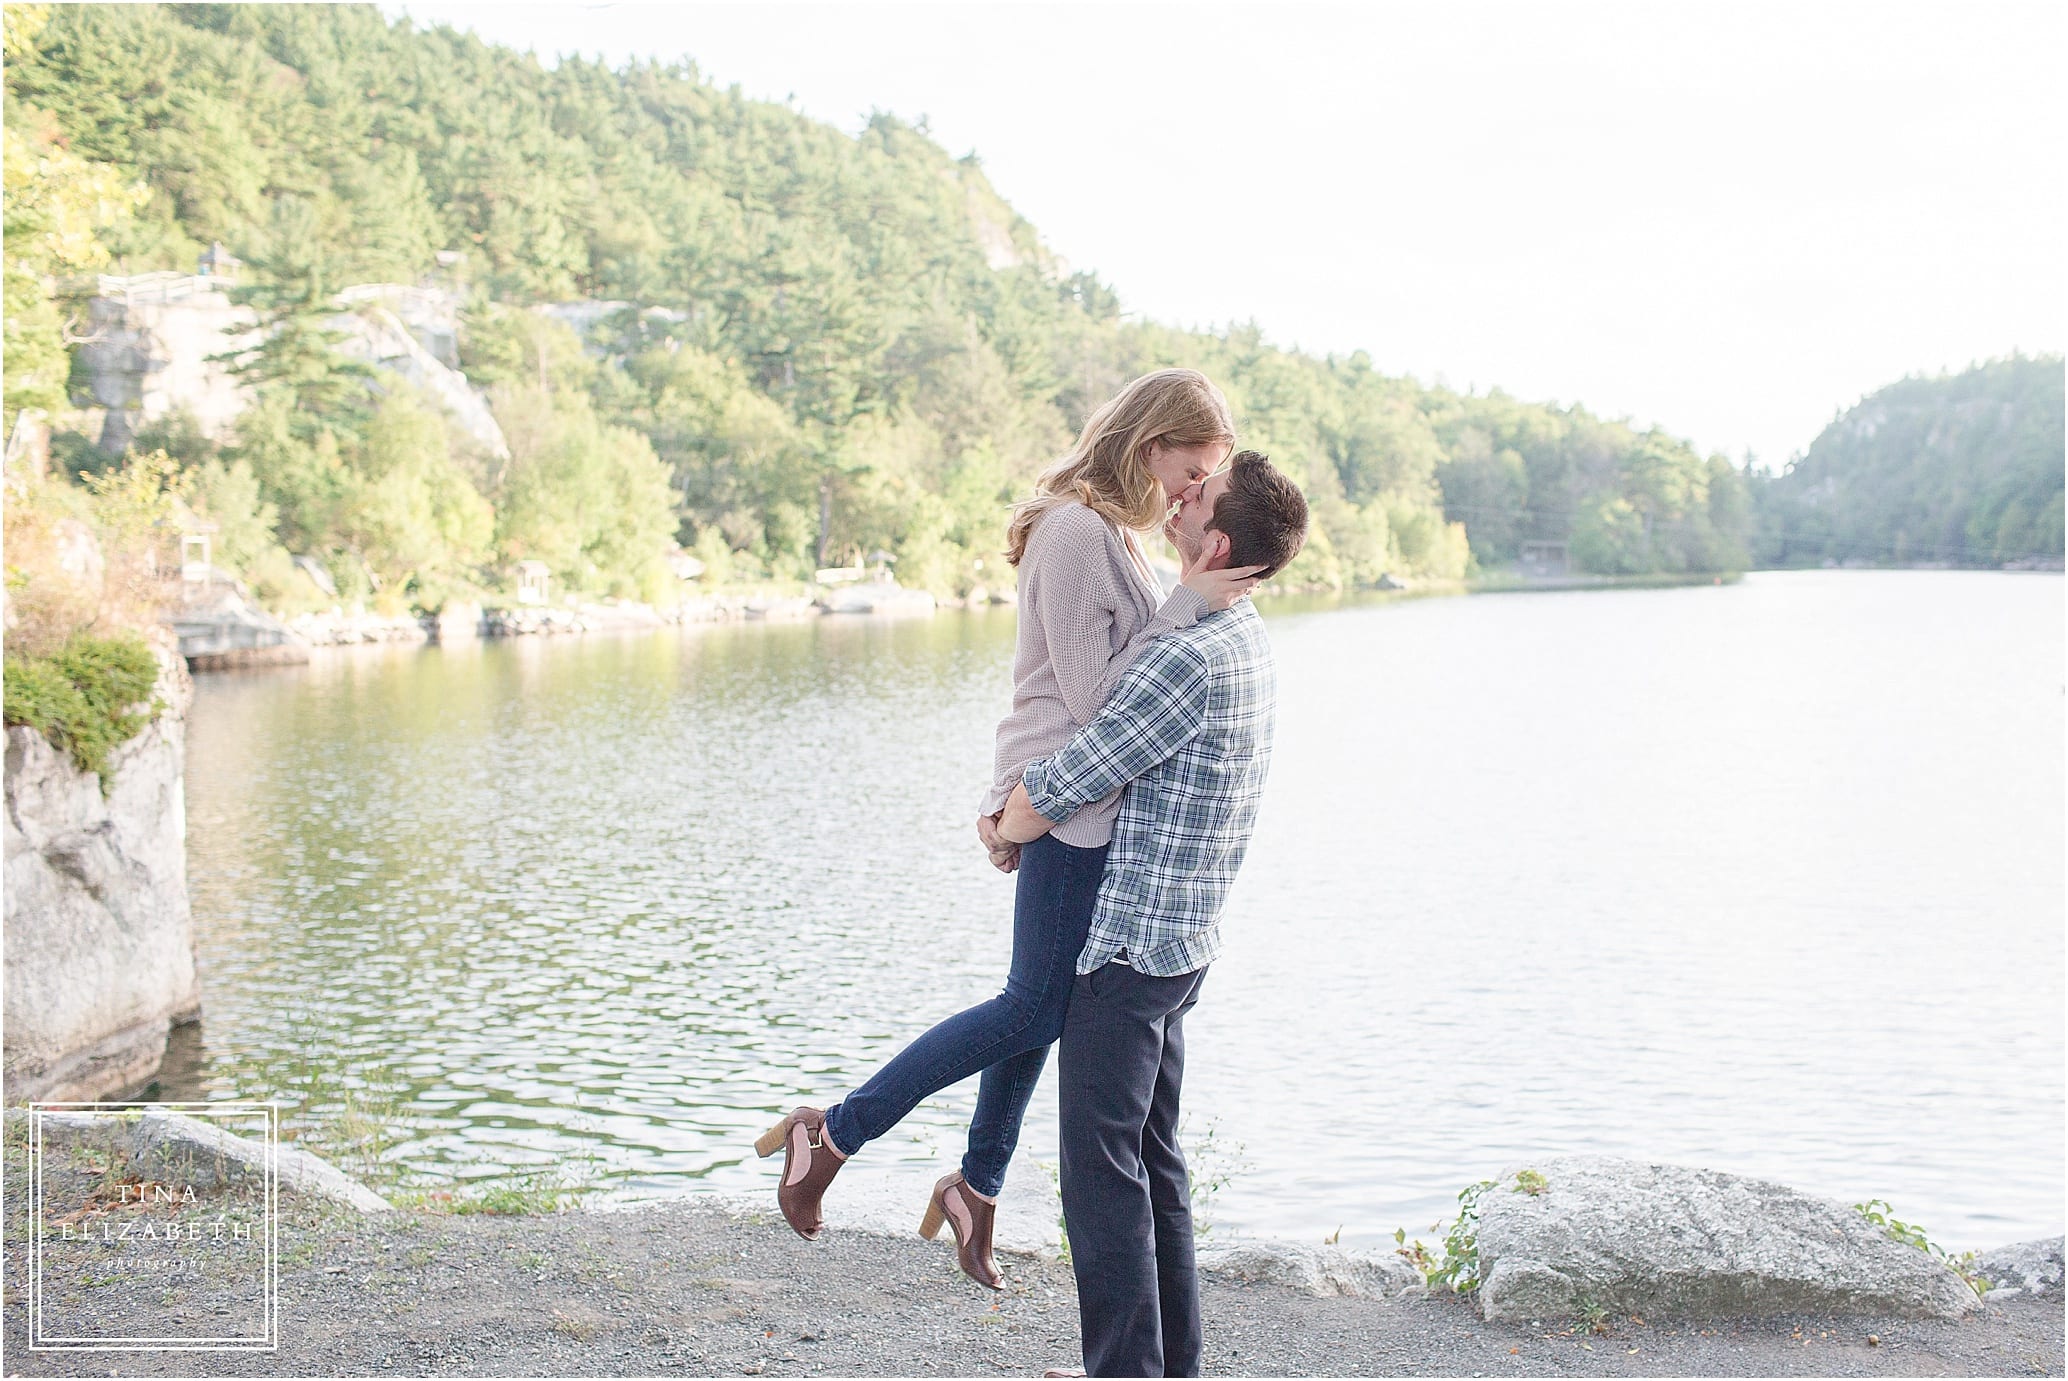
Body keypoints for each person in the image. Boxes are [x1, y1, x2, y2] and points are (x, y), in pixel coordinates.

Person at [755, 369, 1264, 1289]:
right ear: (1150, 446)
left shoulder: (1109, 530)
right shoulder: (1074, 534)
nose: (1190, 496)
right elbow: (1096, 699)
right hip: (1064, 804)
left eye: (1201, 485)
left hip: (1077, 801)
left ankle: (976, 1186)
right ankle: (831, 1134)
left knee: (1044, 1002)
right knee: (1034, 1005)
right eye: (1189, 473)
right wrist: (1188, 606)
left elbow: (1119, 688)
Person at [997, 450, 1310, 1378]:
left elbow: (1076, 771)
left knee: (1100, 1178)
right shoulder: (1243, 635)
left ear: (1215, 540)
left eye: (1198, 495)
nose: (1180, 498)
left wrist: (1001, 819)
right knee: (1154, 1161)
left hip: (1131, 948)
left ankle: (1123, 1372)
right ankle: (1175, 1367)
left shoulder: (1188, 655)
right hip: (1183, 945)